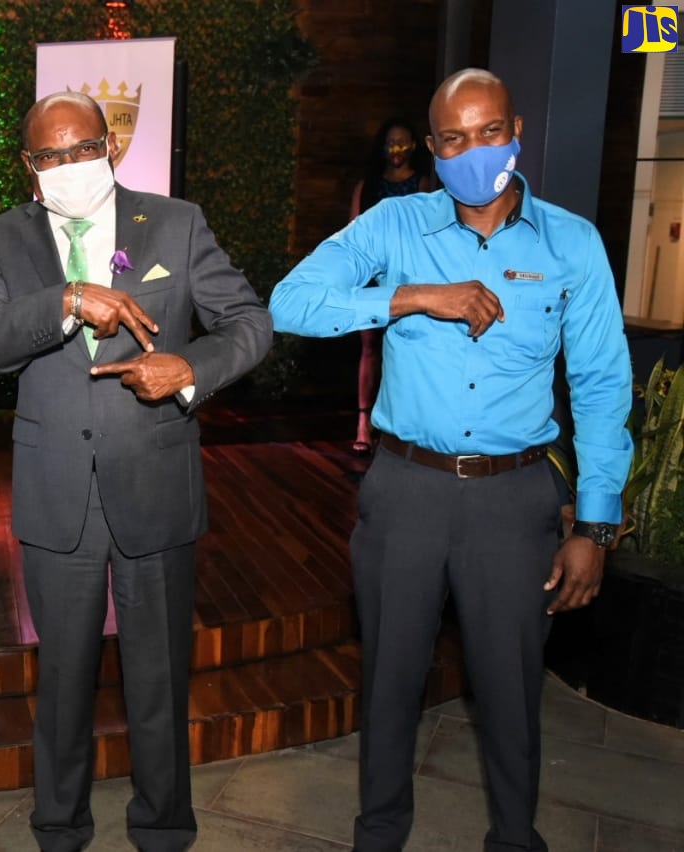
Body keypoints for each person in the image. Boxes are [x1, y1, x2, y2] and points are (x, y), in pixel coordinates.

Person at [269, 69, 632, 852]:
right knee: (391, 685)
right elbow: (290, 302)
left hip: (514, 500)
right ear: (434, 149)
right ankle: (380, 835)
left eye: (489, 131)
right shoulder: (396, 226)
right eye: (456, 138)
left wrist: (595, 527)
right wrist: (411, 297)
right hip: (406, 492)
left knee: (509, 694)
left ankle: (513, 838)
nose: (475, 150)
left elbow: (602, 386)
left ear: (516, 130)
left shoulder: (572, 242)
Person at [0, 91, 272, 852]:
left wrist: (187, 370)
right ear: (29, 167)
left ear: (111, 147)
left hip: (153, 481)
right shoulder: (3, 240)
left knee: (157, 678)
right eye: (50, 156)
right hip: (56, 487)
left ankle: (163, 828)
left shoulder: (175, 222)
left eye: (82, 149)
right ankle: (59, 828)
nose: (70, 166)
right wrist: (62, 300)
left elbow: (250, 323)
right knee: (62, 683)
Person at [348, 117, 433, 455]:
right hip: (373, 278)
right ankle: (363, 423)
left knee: (406, 349)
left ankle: (399, 425)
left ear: (414, 145)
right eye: (391, 142)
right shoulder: (367, 186)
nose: (396, 149)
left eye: (403, 142)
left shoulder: (424, 184)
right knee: (370, 349)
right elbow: (352, 236)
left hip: (411, 280)